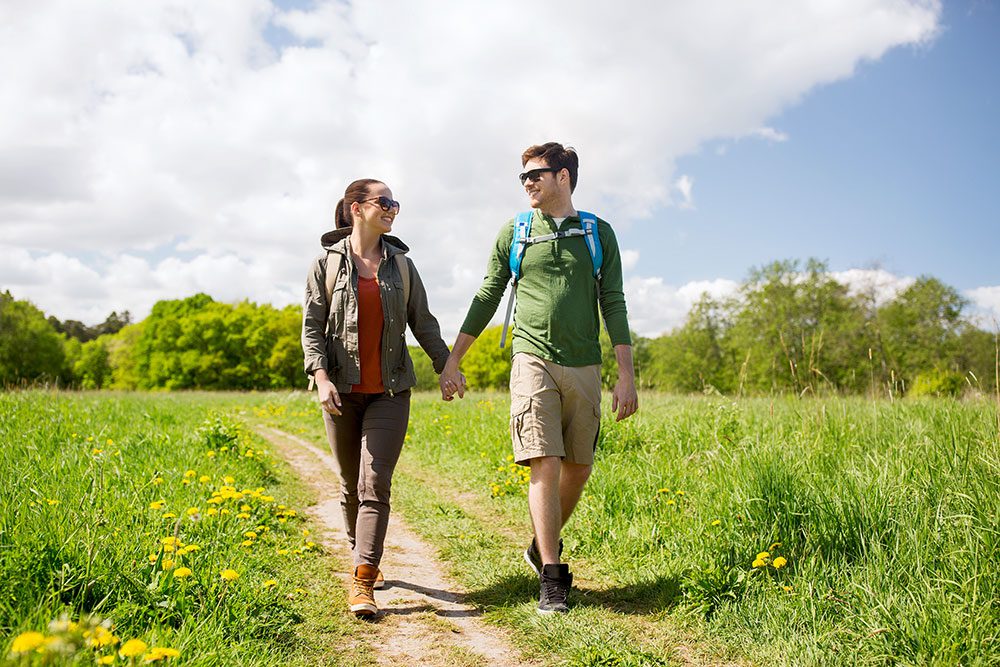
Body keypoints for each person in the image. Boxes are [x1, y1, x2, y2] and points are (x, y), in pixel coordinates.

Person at [439, 142, 638, 614]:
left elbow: (614, 301)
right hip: (531, 358)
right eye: (523, 176)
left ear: (564, 177)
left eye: (537, 174)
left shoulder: (597, 233)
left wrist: (625, 375)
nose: (527, 182)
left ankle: (538, 544)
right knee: (543, 458)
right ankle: (553, 575)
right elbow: (489, 292)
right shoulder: (516, 231)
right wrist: (453, 359)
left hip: (586, 362)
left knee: (579, 466)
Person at [301, 178, 456, 617]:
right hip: (342, 392)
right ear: (356, 208)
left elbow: (423, 323)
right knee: (350, 485)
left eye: (395, 203)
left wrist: (446, 366)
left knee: (374, 482)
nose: (392, 209)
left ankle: (363, 579)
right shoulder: (325, 265)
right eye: (384, 202)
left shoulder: (402, 266)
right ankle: (360, 550)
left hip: (390, 391)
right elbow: (312, 328)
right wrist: (321, 376)